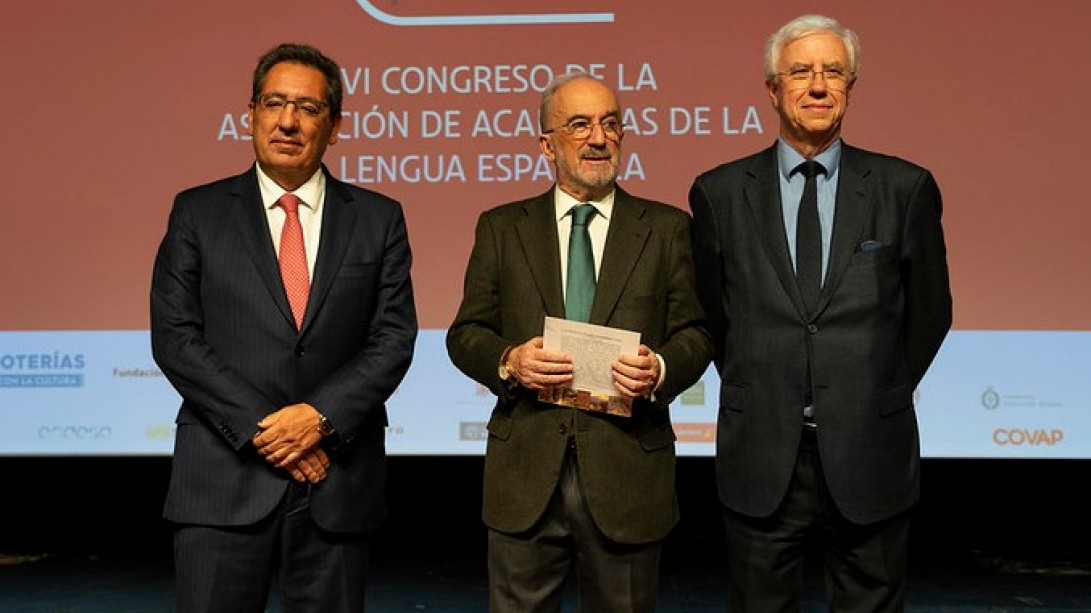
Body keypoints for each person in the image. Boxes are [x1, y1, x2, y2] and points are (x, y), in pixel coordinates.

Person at [688, 14, 953, 613]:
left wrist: (873, 388)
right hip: (761, 454)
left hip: (870, 451)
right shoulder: (718, 193)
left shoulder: (904, 188)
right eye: (801, 71)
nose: (817, 85)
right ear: (772, 89)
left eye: (833, 71)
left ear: (851, 87)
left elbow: (930, 314)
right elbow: (712, 315)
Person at [150, 43, 417, 613]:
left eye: (308, 108)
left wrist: (319, 419)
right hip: (223, 479)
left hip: (335, 482)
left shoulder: (378, 217)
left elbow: (392, 338)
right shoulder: (196, 212)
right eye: (274, 103)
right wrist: (267, 430)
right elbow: (175, 336)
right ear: (249, 115)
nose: (288, 121)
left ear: (336, 126)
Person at [446, 72, 713, 613]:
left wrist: (660, 369)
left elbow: (697, 333)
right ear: (546, 144)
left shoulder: (665, 229)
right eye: (580, 125)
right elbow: (465, 334)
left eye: (610, 124)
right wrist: (509, 359)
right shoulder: (501, 227)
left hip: (628, 470)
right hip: (526, 472)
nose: (598, 138)